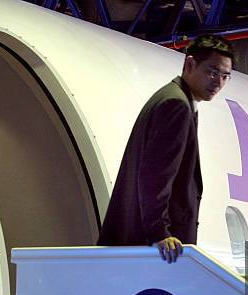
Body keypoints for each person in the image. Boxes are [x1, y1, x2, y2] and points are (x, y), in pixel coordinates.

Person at [97, 34, 235, 263]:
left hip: (142, 246)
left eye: (225, 76)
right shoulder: (175, 105)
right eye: (212, 72)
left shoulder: (174, 99)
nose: (218, 82)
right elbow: (155, 176)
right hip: (152, 250)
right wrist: (159, 233)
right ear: (189, 64)